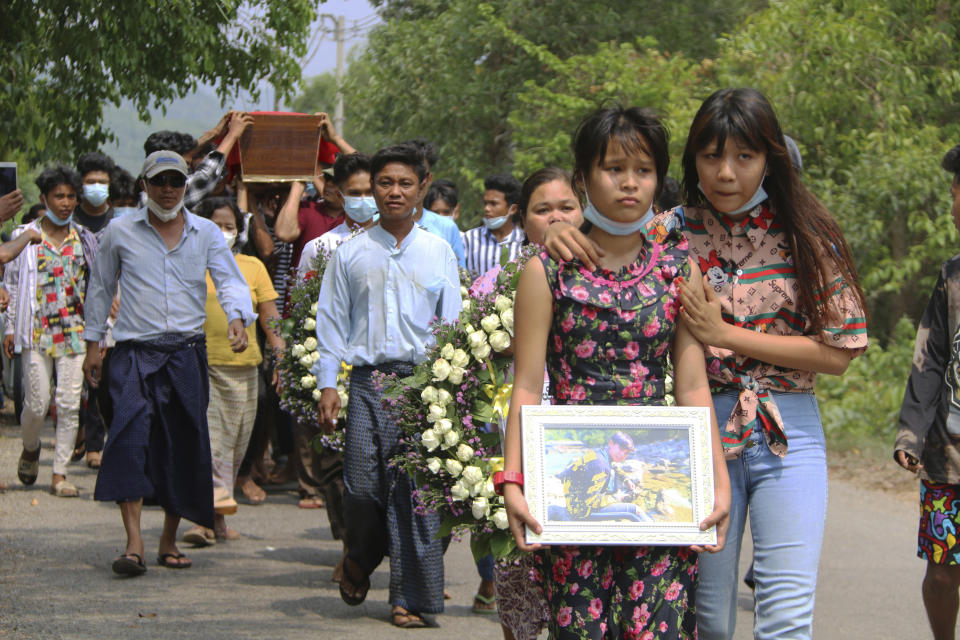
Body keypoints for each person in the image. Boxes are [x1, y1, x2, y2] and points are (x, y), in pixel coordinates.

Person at [543, 89, 868, 640]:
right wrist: (557, 232)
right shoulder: (666, 229)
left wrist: (726, 334)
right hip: (697, 429)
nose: (726, 172)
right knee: (709, 616)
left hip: (789, 429)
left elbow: (839, 351)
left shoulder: (808, 234)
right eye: (711, 156)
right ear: (692, 160)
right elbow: (605, 246)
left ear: (770, 158)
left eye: (744, 156)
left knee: (786, 612)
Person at [503, 106, 730, 639]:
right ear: (583, 177)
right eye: (613, 169)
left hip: (657, 489)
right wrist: (513, 480)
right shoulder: (546, 271)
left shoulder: (679, 267)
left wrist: (716, 482)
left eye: (644, 170)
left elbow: (693, 384)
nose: (630, 183)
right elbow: (528, 387)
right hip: (574, 487)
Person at [82, 150, 255, 576]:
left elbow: (230, 279)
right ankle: (134, 542)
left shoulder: (207, 233)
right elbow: (101, 288)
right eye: (159, 181)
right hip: (134, 354)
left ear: (184, 186)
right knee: (129, 440)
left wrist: (236, 316)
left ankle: (168, 539)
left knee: (182, 443)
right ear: (144, 185)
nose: (167, 189)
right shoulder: (120, 233)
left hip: (186, 354)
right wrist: (92, 344)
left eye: (176, 181)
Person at [314, 143, 460, 627]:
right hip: (366, 385)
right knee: (361, 486)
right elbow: (332, 323)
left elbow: (452, 325)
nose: (394, 192)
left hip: (423, 386)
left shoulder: (439, 251)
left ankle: (410, 600)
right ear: (370, 189)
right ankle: (360, 557)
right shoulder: (350, 254)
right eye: (384, 183)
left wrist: (453, 393)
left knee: (416, 495)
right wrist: (327, 385)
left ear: (422, 187)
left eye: (404, 183)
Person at [181, 196, 283, 546]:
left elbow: (270, 314)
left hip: (244, 370)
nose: (223, 232)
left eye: (229, 226)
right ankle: (202, 520)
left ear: (239, 231)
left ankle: (218, 520)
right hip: (201, 366)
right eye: (216, 225)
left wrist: (282, 353)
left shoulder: (252, 266)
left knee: (237, 445)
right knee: (212, 445)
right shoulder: (189, 264)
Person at [894, 142, 960, 640]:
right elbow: (929, 360)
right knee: (942, 571)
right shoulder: (951, 277)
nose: (955, 208)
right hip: (948, 455)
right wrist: (911, 435)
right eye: (955, 193)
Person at [4, 165, 97, 498]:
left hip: (73, 331)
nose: (66, 202)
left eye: (71, 196)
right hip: (36, 330)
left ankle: (59, 473)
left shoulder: (84, 238)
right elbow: (12, 284)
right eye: (59, 196)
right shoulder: (24, 235)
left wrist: (95, 337)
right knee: (36, 402)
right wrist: (10, 328)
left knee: (70, 403)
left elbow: (95, 288)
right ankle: (31, 446)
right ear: (44, 198)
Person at [143, 111, 253, 210]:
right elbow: (206, 176)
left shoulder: (150, 182)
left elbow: (185, 154)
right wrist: (232, 136)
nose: (187, 170)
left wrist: (214, 134)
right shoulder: (160, 195)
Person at [296, 152, 379, 279]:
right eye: (355, 193)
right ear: (340, 197)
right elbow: (304, 297)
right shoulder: (320, 248)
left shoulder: (395, 242)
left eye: (369, 192)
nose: (363, 199)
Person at [403, 139, 465, 267]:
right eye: (409, 176)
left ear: (429, 179)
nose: (417, 182)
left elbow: (460, 279)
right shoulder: (376, 223)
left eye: (421, 175)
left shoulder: (448, 228)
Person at [462, 174, 525, 278]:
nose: (486, 208)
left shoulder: (524, 242)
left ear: (513, 209)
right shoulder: (469, 240)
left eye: (493, 204)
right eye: (485, 203)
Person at [73, 152, 116, 235]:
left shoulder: (116, 218)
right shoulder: (70, 218)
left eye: (102, 182)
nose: (97, 187)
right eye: (90, 182)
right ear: (80, 184)